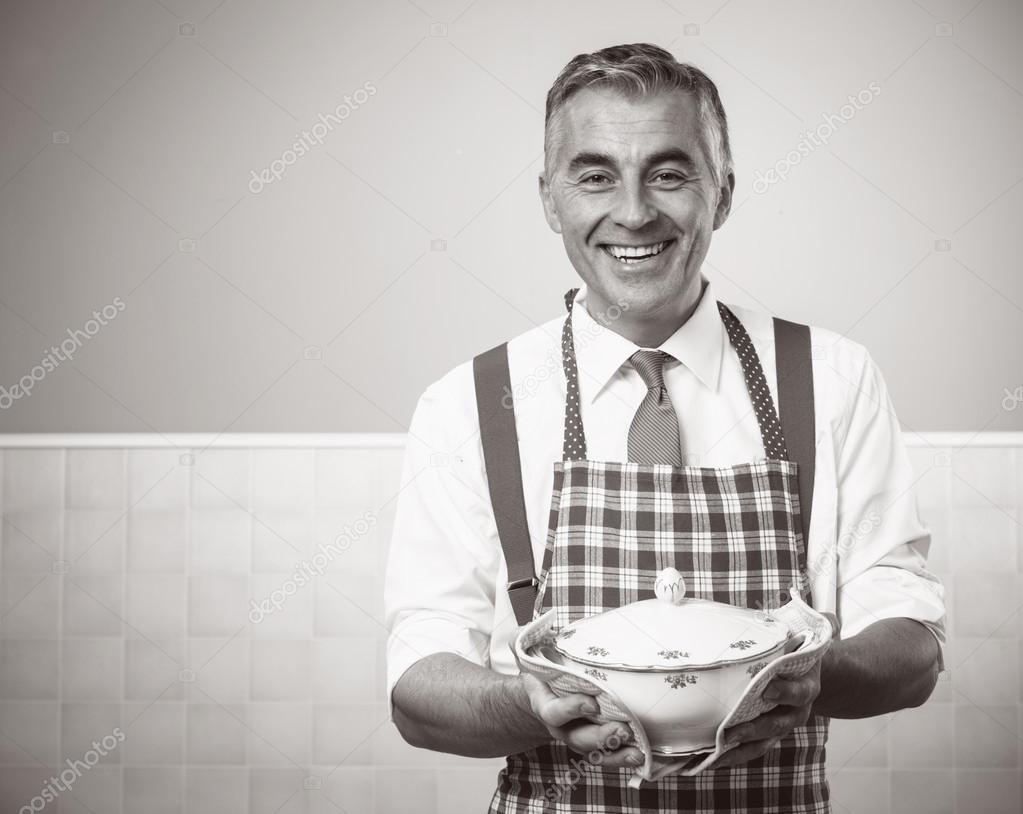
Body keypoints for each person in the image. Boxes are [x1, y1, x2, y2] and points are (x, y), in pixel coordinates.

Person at [384, 42, 946, 813]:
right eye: (594, 175)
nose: (634, 211)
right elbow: (416, 690)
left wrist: (816, 678)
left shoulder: (832, 379)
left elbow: (912, 651)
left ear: (720, 193)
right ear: (550, 198)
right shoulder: (471, 403)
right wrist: (531, 707)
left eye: (669, 173)